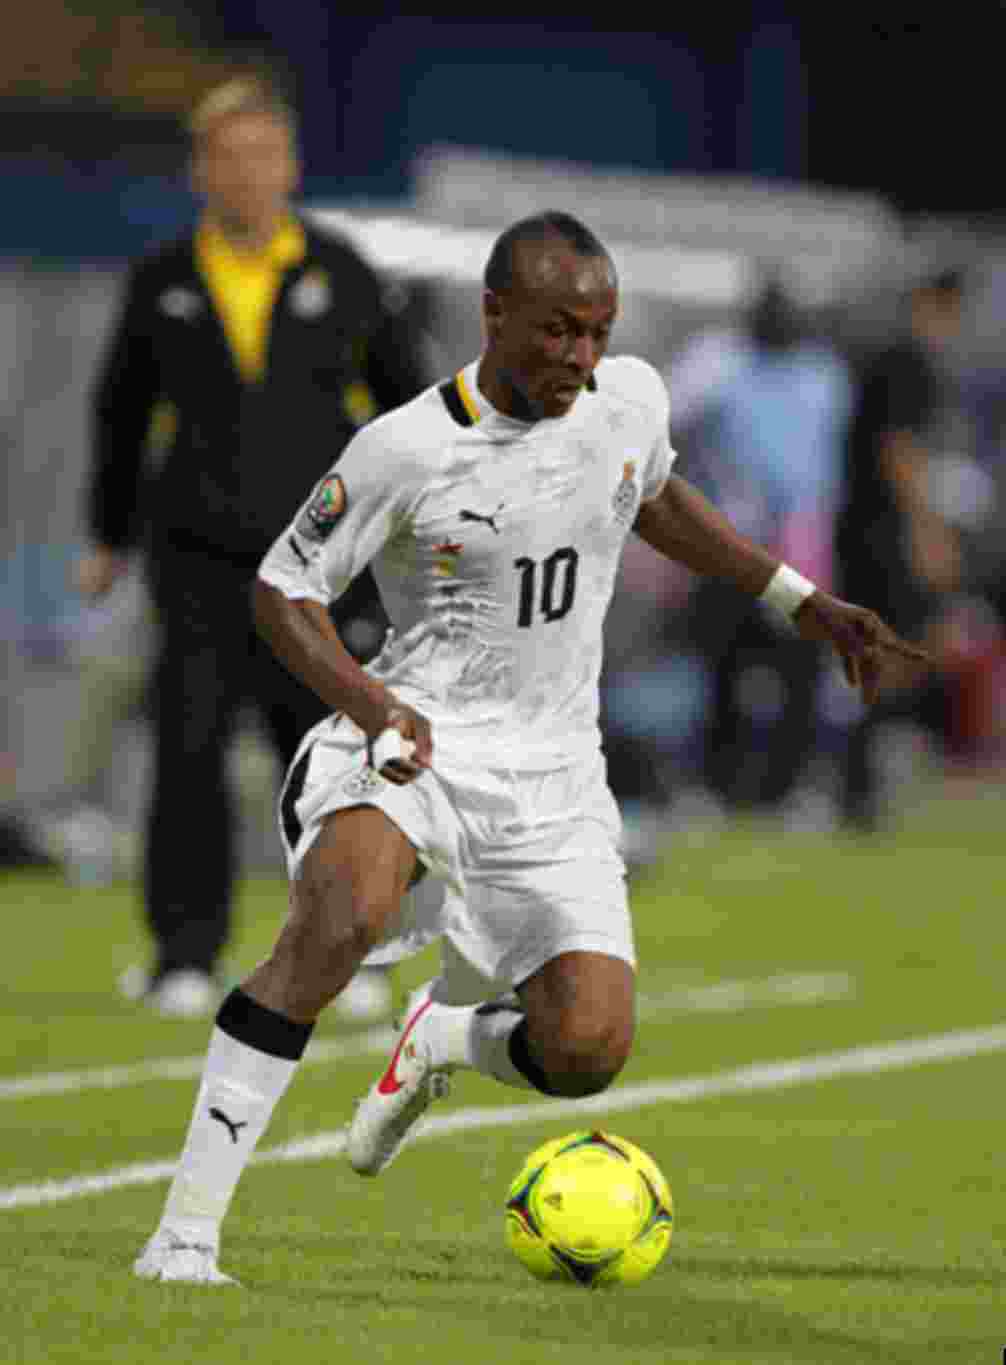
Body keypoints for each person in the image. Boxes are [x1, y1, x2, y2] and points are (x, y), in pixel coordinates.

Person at [133, 211, 927, 1284]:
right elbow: (283, 589)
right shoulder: (406, 446)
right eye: (557, 332)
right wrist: (370, 707)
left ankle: (443, 1042)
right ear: (493, 313)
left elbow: (652, 496)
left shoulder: (628, 399)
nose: (579, 358)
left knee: (586, 1050)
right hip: (413, 743)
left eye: (596, 333)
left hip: (554, 776)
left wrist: (799, 600)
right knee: (338, 921)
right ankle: (184, 1234)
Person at [78, 78, 428, 1017]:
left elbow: (408, 411)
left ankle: (357, 953)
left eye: (264, 156)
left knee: (335, 759)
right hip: (194, 559)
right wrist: (107, 536)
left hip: (320, 566)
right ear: (199, 171)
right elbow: (119, 415)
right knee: (188, 750)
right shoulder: (162, 280)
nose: (247, 175)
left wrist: (416, 529)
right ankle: (184, 955)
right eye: (227, 158)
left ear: (293, 166)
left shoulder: (345, 272)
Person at [668, 274, 852, 823]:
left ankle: (789, 785)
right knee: (723, 662)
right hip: (732, 537)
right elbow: (667, 423)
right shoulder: (717, 362)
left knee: (797, 667)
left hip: (801, 540)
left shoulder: (824, 375)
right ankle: (718, 784)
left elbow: (827, 461)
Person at [834, 265, 967, 829]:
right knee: (897, 652)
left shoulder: (888, 359)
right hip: (882, 534)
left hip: (867, 528)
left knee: (892, 652)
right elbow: (898, 451)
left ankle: (864, 780)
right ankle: (860, 783)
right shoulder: (908, 361)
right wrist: (927, 533)